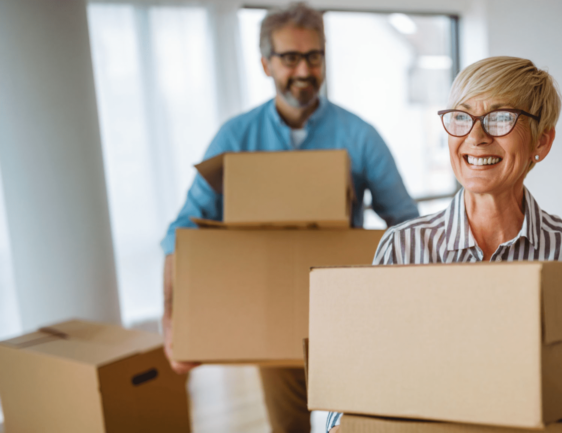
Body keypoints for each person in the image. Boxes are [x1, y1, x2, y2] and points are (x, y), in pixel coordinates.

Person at [326, 56, 562, 432]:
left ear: (542, 140)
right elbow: (354, 393)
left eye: (500, 117)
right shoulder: (402, 249)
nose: (476, 136)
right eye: (462, 117)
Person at [160, 3, 419, 433]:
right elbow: (183, 229)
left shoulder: (360, 136)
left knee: (359, 426)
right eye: (289, 58)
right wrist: (173, 324)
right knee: (289, 428)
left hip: (347, 315)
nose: (304, 70)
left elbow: (406, 224)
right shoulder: (237, 137)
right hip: (272, 311)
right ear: (266, 63)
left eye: (314, 56)